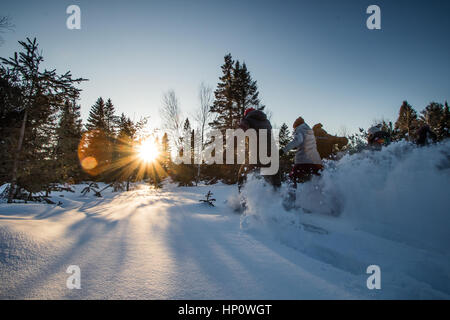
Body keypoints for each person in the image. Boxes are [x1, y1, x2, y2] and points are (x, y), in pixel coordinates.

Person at [237, 107, 281, 191]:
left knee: (242, 174)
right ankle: (278, 197)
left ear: (246, 114)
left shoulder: (247, 119)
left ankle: (243, 198)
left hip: (257, 154)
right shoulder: (267, 122)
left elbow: (242, 130)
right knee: (274, 178)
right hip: (272, 154)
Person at [280, 117, 323, 188]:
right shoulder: (309, 131)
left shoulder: (299, 129)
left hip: (303, 161)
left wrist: (283, 150)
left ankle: (291, 198)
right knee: (315, 182)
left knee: (292, 181)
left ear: (296, 125)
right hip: (316, 162)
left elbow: (298, 140)